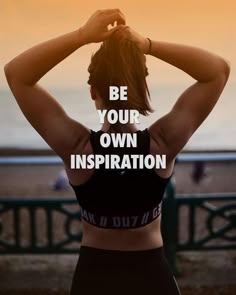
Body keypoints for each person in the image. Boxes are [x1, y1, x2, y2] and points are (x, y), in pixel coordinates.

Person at [4, 8, 230, 295]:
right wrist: (147, 45)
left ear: (93, 92)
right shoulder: (162, 142)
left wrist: (81, 36)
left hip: (95, 277)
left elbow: (17, 74)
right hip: (152, 276)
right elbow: (217, 71)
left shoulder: (78, 147)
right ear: (141, 87)